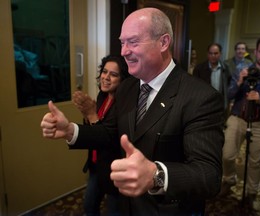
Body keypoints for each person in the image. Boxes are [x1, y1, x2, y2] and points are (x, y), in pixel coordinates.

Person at [41, 7, 224, 215]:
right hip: (126, 206)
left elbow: (209, 175)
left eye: (133, 42)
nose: (124, 51)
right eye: (122, 42)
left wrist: (156, 175)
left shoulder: (200, 97)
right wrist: (71, 131)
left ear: (163, 42)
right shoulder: (128, 87)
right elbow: (111, 132)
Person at [219, 36, 260, 209]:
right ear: (255, 52)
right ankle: (229, 179)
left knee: (255, 162)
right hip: (238, 118)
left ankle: (252, 193)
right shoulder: (241, 68)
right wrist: (240, 81)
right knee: (227, 155)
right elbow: (230, 94)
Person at [71, 54, 129, 216]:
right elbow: (92, 132)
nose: (106, 77)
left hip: (113, 168)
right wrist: (87, 114)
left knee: (114, 211)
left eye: (113, 74)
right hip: (96, 165)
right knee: (89, 206)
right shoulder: (102, 96)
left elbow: (108, 138)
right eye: (104, 72)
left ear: (122, 79)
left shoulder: (124, 105)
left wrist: (91, 115)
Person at [193, 43, 231, 119]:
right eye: (211, 53)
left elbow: (228, 87)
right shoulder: (199, 69)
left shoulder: (226, 68)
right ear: (207, 54)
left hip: (220, 105)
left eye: (216, 53)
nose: (213, 56)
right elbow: (195, 89)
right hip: (204, 105)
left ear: (220, 54)